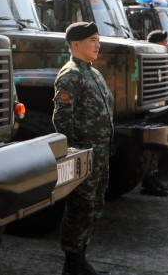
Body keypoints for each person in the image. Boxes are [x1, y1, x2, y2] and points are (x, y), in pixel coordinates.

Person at [53, 22, 113, 275]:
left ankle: (81, 256)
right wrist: (75, 151)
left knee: (94, 204)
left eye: (98, 39)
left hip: (100, 151)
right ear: (76, 44)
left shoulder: (92, 72)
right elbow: (62, 119)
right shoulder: (70, 75)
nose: (98, 45)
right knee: (80, 206)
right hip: (85, 153)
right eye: (93, 40)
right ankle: (73, 261)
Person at [141, 30, 168, 197]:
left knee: (156, 149)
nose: (167, 45)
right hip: (148, 109)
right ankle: (148, 181)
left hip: (158, 107)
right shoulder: (146, 60)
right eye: (164, 42)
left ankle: (153, 178)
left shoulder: (159, 60)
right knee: (149, 149)